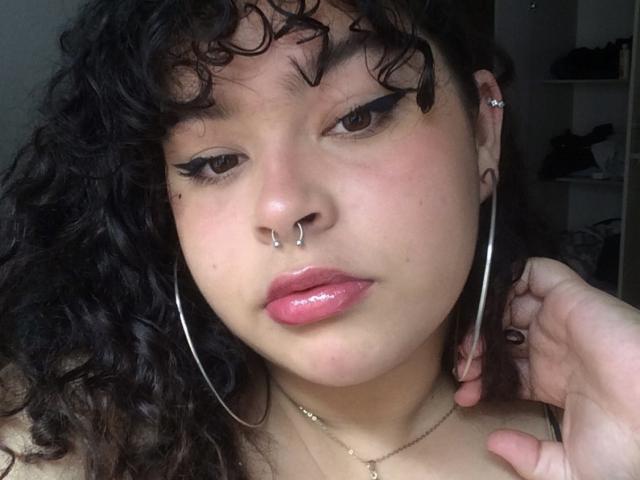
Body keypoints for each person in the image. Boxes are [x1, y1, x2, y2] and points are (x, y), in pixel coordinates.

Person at [0, 0, 638, 479]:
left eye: (357, 117)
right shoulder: (61, 443)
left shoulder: (607, 418)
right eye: (213, 162)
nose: (282, 209)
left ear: (481, 134)